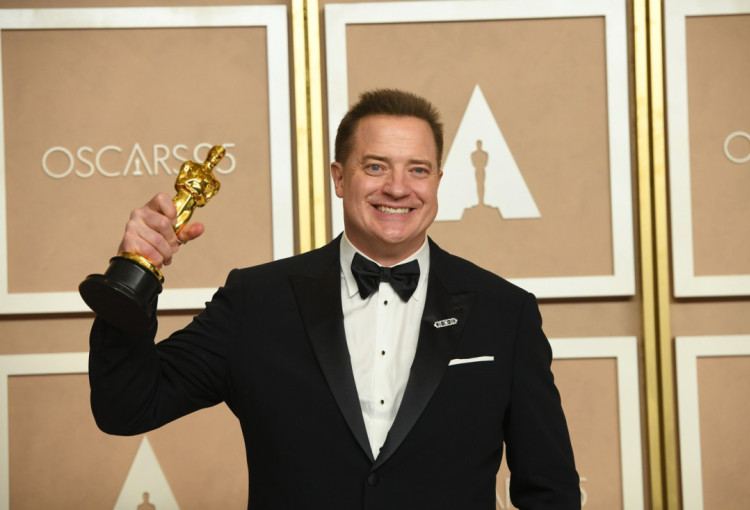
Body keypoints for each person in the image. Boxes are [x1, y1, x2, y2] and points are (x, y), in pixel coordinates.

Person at [89, 89, 580, 509]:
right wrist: (134, 273)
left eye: (418, 170)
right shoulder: (256, 301)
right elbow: (127, 407)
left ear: (437, 182)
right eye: (375, 166)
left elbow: (550, 489)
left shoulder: (506, 312)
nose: (398, 188)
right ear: (340, 177)